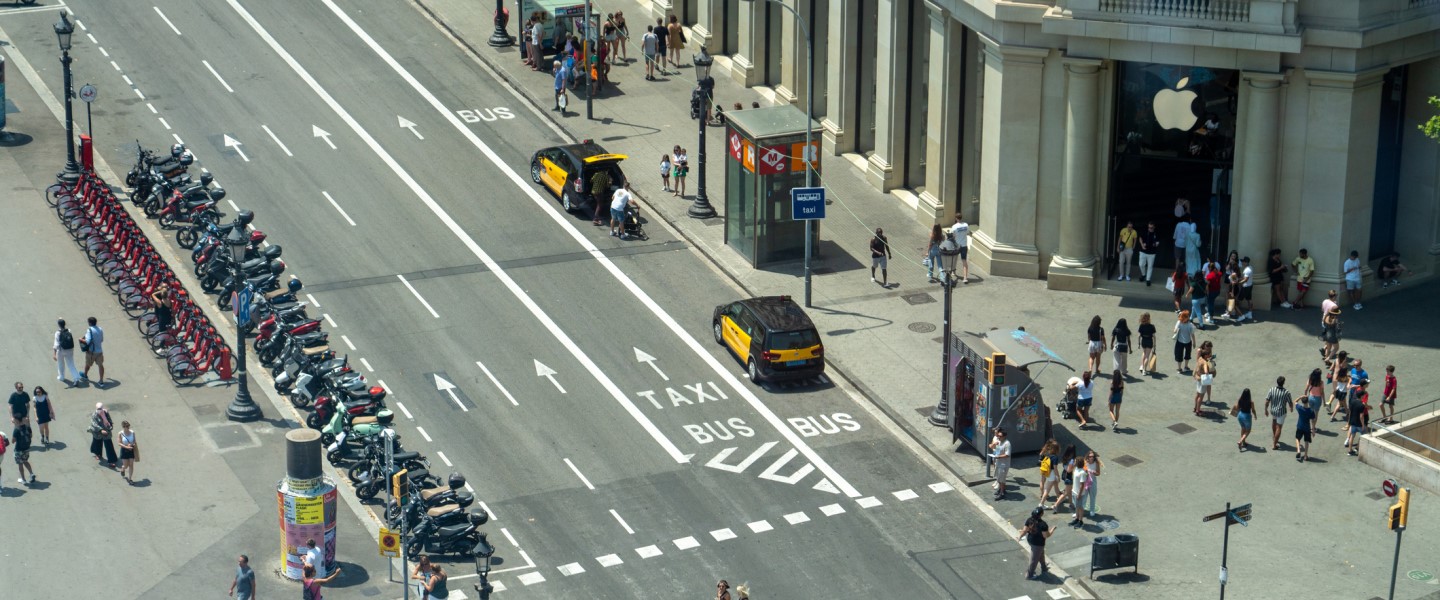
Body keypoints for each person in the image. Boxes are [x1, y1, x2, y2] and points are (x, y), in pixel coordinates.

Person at [1019, 507, 1054, 580]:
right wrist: (1052, 530)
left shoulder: (1029, 520)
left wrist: (1020, 537)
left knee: (1041, 554)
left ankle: (1044, 567)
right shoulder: (1043, 525)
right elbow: (1046, 535)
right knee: (1033, 560)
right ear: (1041, 514)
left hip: (1030, 540)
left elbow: (1024, 530)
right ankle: (1029, 575)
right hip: (1038, 544)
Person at [1050, 445, 1077, 513]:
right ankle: (1055, 505)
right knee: (1066, 493)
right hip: (1069, 477)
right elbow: (1069, 470)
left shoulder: (1065, 457)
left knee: (1069, 491)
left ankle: (1071, 504)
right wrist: (1074, 465)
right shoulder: (1072, 460)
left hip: (1064, 475)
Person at [1267, 377, 1292, 451]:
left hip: (1273, 410)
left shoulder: (1272, 390)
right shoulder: (1286, 392)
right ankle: (1274, 444)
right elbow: (1290, 402)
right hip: (1281, 412)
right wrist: (1291, 408)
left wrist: (1265, 409)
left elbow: (1267, 400)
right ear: (1283, 383)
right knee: (1279, 427)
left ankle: (1274, 437)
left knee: (1274, 422)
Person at [89, 402, 117, 468]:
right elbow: (94, 424)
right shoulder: (94, 415)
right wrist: (101, 430)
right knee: (97, 444)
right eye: (98, 409)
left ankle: (111, 461)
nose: (100, 410)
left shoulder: (105, 413)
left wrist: (110, 425)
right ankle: (97, 454)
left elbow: (109, 420)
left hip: (106, 432)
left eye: (100, 408)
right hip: (98, 432)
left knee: (109, 446)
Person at [54, 319, 81, 383]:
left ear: (58, 325)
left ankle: (61, 377)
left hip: (61, 350)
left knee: (60, 364)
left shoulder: (57, 333)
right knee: (71, 364)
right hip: (70, 350)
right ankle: (76, 378)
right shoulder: (69, 330)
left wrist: (54, 354)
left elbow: (56, 344)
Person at [1036, 439, 1060, 508]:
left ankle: (1059, 497)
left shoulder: (1048, 454)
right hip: (1051, 474)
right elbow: (1055, 468)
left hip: (1046, 472)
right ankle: (1041, 504)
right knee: (1047, 490)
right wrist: (1058, 476)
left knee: (1056, 485)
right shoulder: (1055, 457)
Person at [988, 428, 1011, 500]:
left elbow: (1007, 454)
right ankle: (1001, 490)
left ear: (1004, 436)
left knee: (1002, 480)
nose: (998, 437)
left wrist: (999, 457)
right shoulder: (998, 441)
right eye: (998, 436)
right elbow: (991, 446)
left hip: (1003, 464)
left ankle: (1002, 493)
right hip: (998, 463)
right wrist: (994, 444)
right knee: (998, 478)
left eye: (1000, 436)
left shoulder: (1007, 444)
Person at [1344, 382, 1366, 456]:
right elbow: (1361, 416)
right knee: (1363, 435)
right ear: (1361, 396)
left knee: (1352, 436)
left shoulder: (1352, 402)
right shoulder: (1361, 405)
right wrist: (1363, 425)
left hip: (1353, 422)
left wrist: (1349, 422)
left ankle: (1350, 450)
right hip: (1359, 423)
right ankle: (1357, 447)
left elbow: (1350, 411)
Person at [81, 316, 105, 384]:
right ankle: (101, 381)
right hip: (99, 351)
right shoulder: (100, 329)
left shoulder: (90, 330)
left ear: (90, 323)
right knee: (100, 365)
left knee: (88, 364)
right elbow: (102, 340)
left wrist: (81, 339)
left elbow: (88, 341)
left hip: (91, 352)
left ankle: (85, 375)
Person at [949, 214, 971, 283]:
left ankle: (953, 272)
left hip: (957, 246)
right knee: (964, 261)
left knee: (954, 258)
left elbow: (952, 236)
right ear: (961, 218)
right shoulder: (966, 225)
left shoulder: (954, 227)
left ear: (956, 218)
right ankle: (965, 278)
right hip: (964, 246)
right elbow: (968, 233)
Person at [1294, 393, 1315, 462]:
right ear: (1308, 401)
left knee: (1297, 438)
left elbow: (1295, 402)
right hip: (1307, 428)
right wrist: (1313, 430)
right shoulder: (1311, 411)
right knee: (1306, 441)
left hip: (1300, 426)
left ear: (1302, 402)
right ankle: (1305, 455)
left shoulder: (1299, 408)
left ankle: (1298, 450)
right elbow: (1312, 421)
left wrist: (1300, 396)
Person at [13, 418, 34, 485]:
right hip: (26, 448)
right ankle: (31, 473)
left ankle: (23, 479)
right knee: (25, 461)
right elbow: (31, 436)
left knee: (20, 464)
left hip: (18, 449)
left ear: (17, 421)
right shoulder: (28, 427)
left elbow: (13, 441)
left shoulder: (16, 430)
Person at [1081, 451, 1103, 516]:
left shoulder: (1096, 463)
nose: (1091, 458)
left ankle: (1092, 510)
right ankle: (1081, 510)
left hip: (1092, 481)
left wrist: (1093, 472)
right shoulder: (1085, 462)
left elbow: (1098, 473)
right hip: (1085, 481)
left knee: (1092, 496)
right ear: (1088, 456)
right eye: (1090, 456)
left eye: (1093, 456)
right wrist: (1086, 471)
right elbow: (1082, 470)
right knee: (1084, 496)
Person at [1236, 256, 1255, 321]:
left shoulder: (1247, 270)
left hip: (1245, 287)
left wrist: (1238, 283)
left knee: (1236, 303)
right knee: (1249, 299)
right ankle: (1250, 313)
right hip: (1250, 286)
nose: (1242, 263)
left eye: (1243, 262)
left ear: (1246, 262)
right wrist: (1239, 279)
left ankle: (1241, 316)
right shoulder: (1250, 267)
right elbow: (1245, 278)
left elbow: (1245, 279)